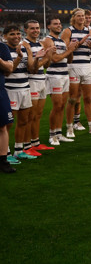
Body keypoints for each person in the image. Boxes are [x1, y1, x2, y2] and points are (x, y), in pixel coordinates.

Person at [63, 8, 91, 136]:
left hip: (87, 67)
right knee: (73, 99)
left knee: (87, 98)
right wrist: (79, 44)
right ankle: (70, 127)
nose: (82, 18)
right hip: (73, 67)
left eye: (83, 16)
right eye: (79, 16)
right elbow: (65, 51)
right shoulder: (67, 31)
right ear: (74, 17)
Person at [3, 25, 38, 160]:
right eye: (12, 34)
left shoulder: (23, 48)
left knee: (23, 121)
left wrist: (34, 57)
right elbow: (8, 71)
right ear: (5, 36)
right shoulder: (3, 50)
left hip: (25, 88)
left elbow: (30, 69)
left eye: (18, 33)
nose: (16, 36)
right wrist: (18, 57)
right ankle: (5, 153)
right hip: (10, 90)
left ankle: (19, 150)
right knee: (8, 124)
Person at [42, 17, 78, 145]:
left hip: (64, 75)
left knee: (62, 106)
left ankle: (58, 133)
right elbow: (55, 59)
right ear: (49, 27)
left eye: (59, 23)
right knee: (57, 106)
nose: (58, 25)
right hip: (54, 76)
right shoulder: (48, 40)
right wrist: (69, 50)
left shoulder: (62, 41)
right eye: (55, 24)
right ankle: (52, 135)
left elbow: (69, 60)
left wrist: (72, 50)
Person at [23, 19, 55, 152]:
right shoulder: (25, 45)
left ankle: (35, 142)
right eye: (32, 28)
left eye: (37, 28)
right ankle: (25, 145)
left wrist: (49, 55)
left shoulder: (40, 43)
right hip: (32, 81)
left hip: (42, 80)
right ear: (26, 30)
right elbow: (32, 68)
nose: (36, 30)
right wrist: (45, 58)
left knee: (38, 114)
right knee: (30, 115)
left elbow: (46, 65)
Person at [1, 38, 17, 173]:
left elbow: (9, 68)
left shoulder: (2, 47)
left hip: (0, 92)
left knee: (3, 126)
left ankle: (3, 161)